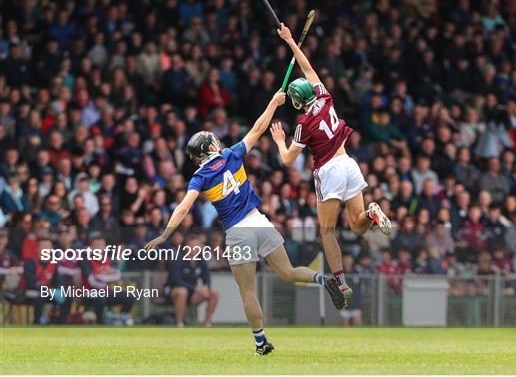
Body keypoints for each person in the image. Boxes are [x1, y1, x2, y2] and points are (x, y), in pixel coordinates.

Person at [145, 91, 343, 355]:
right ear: (212, 147)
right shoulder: (232, 154)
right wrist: (273, 103)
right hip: (260, 222)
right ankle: (323, 278)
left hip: (238, 233)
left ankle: (261, 342)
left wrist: (164, 235)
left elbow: (183, 207)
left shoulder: (200, 176)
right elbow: (258, 128)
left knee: (248, 292)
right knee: (288, 271)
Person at [270, 23, 391, 302]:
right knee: (359, 226)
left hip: (329, 171)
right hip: (349, 163)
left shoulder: (303, 124)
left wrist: (278, 139)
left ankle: (341, 282)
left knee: (326, 230)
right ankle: (372, 211)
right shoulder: (324, 96)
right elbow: (307, 66)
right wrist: (290, 41)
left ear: (298, 103)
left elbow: (288, 160)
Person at [164, 234, 218, 327]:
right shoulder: (178, 259)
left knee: (214, 293)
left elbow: (206, 278)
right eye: (192, 246)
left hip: (192, 293)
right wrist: (195, 288)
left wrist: (206, 287)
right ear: (186, 247)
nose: (194, 248)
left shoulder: (201, 260)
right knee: (182, 292)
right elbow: (176, 281)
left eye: (197, 246)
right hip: (173, 291)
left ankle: (206, 323)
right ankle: (180, 323)